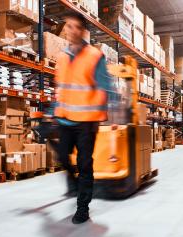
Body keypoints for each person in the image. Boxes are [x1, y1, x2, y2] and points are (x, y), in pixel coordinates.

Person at [54, 12, 112, 224]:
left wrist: (104, 113)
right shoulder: (61, 57)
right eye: (69, 26)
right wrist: (54, 112)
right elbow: (60, 88)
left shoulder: (94, 56)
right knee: (61, 156)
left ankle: (83, 208)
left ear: (83, 31)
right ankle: (78, 185)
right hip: (66, 119)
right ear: (66, 29)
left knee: (85, 164)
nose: (72, 31)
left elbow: (105, 86)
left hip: (88, 120)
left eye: (77, 27)